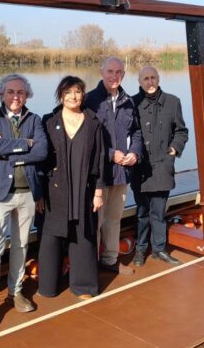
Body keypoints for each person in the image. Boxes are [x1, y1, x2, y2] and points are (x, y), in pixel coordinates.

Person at [0, 74, 48, 331]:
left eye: (20, 92)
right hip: (0, 194)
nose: (15, 96)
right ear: (2, 94)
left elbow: (41, 151)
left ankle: (15, 291)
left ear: (27, 94)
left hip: (27, 193)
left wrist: (11, 152)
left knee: (20, 245)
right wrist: (25, 144)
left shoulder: (35, 119)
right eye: (10, 92)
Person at [37, 76, 106, 300]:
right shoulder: (48, 121)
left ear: (83, 95)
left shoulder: (93, 122)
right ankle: (48, 285)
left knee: (83, 237)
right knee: (50, 238)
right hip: (54, 190)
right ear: (61, 96)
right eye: (68, 92)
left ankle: (83, 286)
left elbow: (100, 159)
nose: (73, 96)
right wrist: (38, 194)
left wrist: (98, 192)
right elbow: (41, 161)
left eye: (77, 92)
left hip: (83, 189)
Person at [85, 56, 143, 275]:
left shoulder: (128, 101)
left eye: (118, 72)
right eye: (110, 71)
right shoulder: (90, 100)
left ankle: (110, 259)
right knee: (96, 221)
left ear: (124, 75)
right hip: (98, 174)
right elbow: (85, 139)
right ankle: (90, 264)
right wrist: (111, 155)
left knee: (114, 219)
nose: (114, 76)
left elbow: (136, 132)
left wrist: (135, 152)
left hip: (121, 173)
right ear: (102, 72)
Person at [131, 66, 188, 267]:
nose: (150, 82)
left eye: (153, 77)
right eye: (146, 78)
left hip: (163, 166)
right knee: (142, 213)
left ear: (159, 78)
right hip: (140, 168)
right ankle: (140, 249)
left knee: (159, 212)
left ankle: (159, 249)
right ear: (139, 82)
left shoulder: (173, 102)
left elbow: (181, 131)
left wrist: (174, 149)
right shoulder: (132, 103)